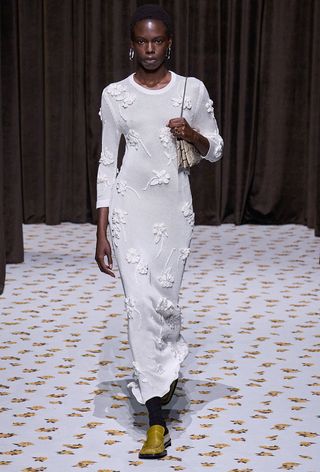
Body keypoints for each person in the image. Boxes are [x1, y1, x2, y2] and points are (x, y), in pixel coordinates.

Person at [95, 4, 223, 460]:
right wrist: (102, 227)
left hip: (173, 214)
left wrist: (192, 133)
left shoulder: (191, 90)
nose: (150, 49)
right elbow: (109, 161)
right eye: (141, 41)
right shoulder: (116, 95)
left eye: (157, 41)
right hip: (129, 211)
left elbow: (216, 149)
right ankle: (156, 421)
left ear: (169, 43)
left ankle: (163, 371)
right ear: (131, 46)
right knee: (140, 305)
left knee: (163, 304)